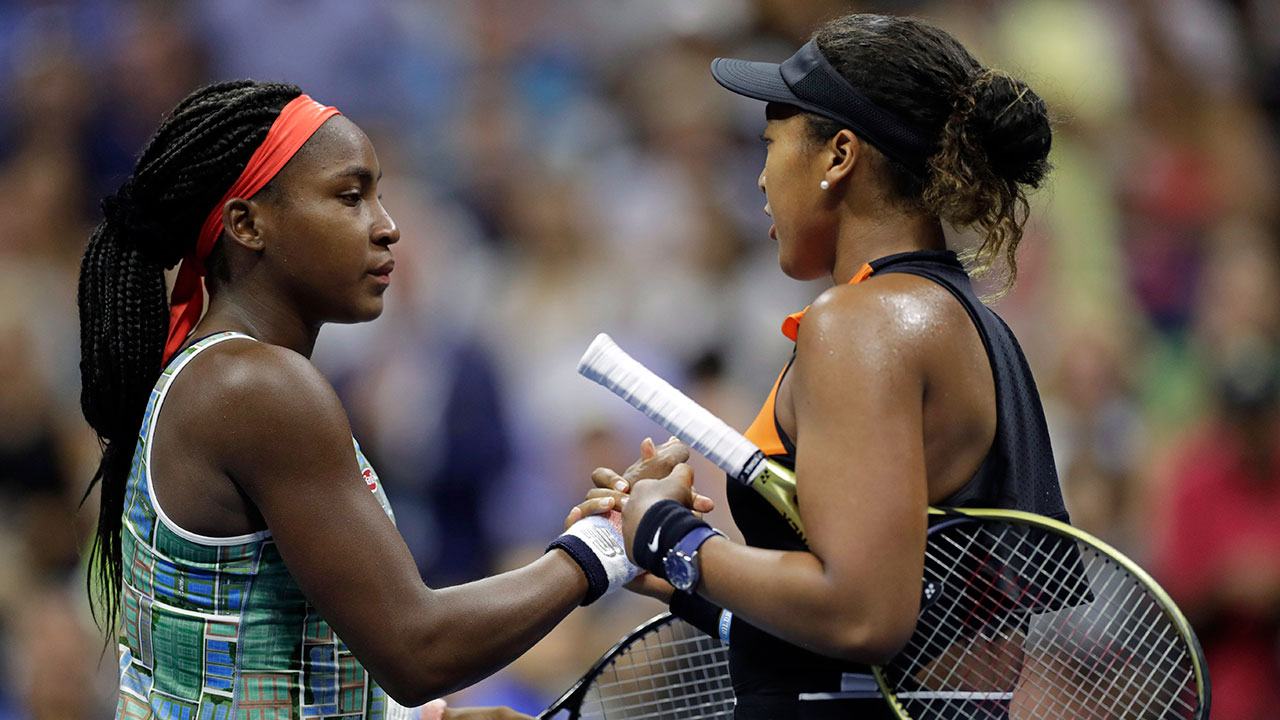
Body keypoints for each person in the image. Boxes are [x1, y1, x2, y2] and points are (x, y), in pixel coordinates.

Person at [76, 80, 703, 720]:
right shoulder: (257, 388)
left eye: (379, 194)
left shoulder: (221, 376)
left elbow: (253, 651)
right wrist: (607, 544)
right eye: (350, 197)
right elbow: (416, 650)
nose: (388, 227)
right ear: (247, 223)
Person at [584, 13, 1068, 720]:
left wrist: (668, 533)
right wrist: (683, 575)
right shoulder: (963, 323)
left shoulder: (861, 322)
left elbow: (863, 615)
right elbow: (887, 653)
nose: (758, 180)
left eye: (771, 146)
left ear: (839, 155)